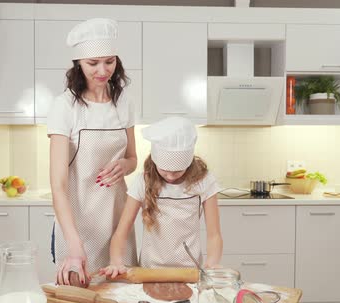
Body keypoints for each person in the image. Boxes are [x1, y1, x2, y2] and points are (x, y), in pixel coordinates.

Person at [47, 18, 138, 285]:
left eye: (109, 62)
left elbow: (133, 158)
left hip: (117, 222)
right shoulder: (64, 107)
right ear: (78, 64)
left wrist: (125, 165)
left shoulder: (124, 103)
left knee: (120, 301)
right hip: (78, 224)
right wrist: (74, 245)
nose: (103, 70)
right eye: (93, 63)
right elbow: (58, 186)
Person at [101, 117, 223, 277]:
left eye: (178, 171)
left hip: (189, 272)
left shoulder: (204, 181)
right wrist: (116, 261)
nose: (171, 177)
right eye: (165, 170)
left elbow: (214, 235)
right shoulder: (143, 182)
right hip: (150, 271)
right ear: (155, 160)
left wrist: (212, 263)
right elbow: (121, 231)